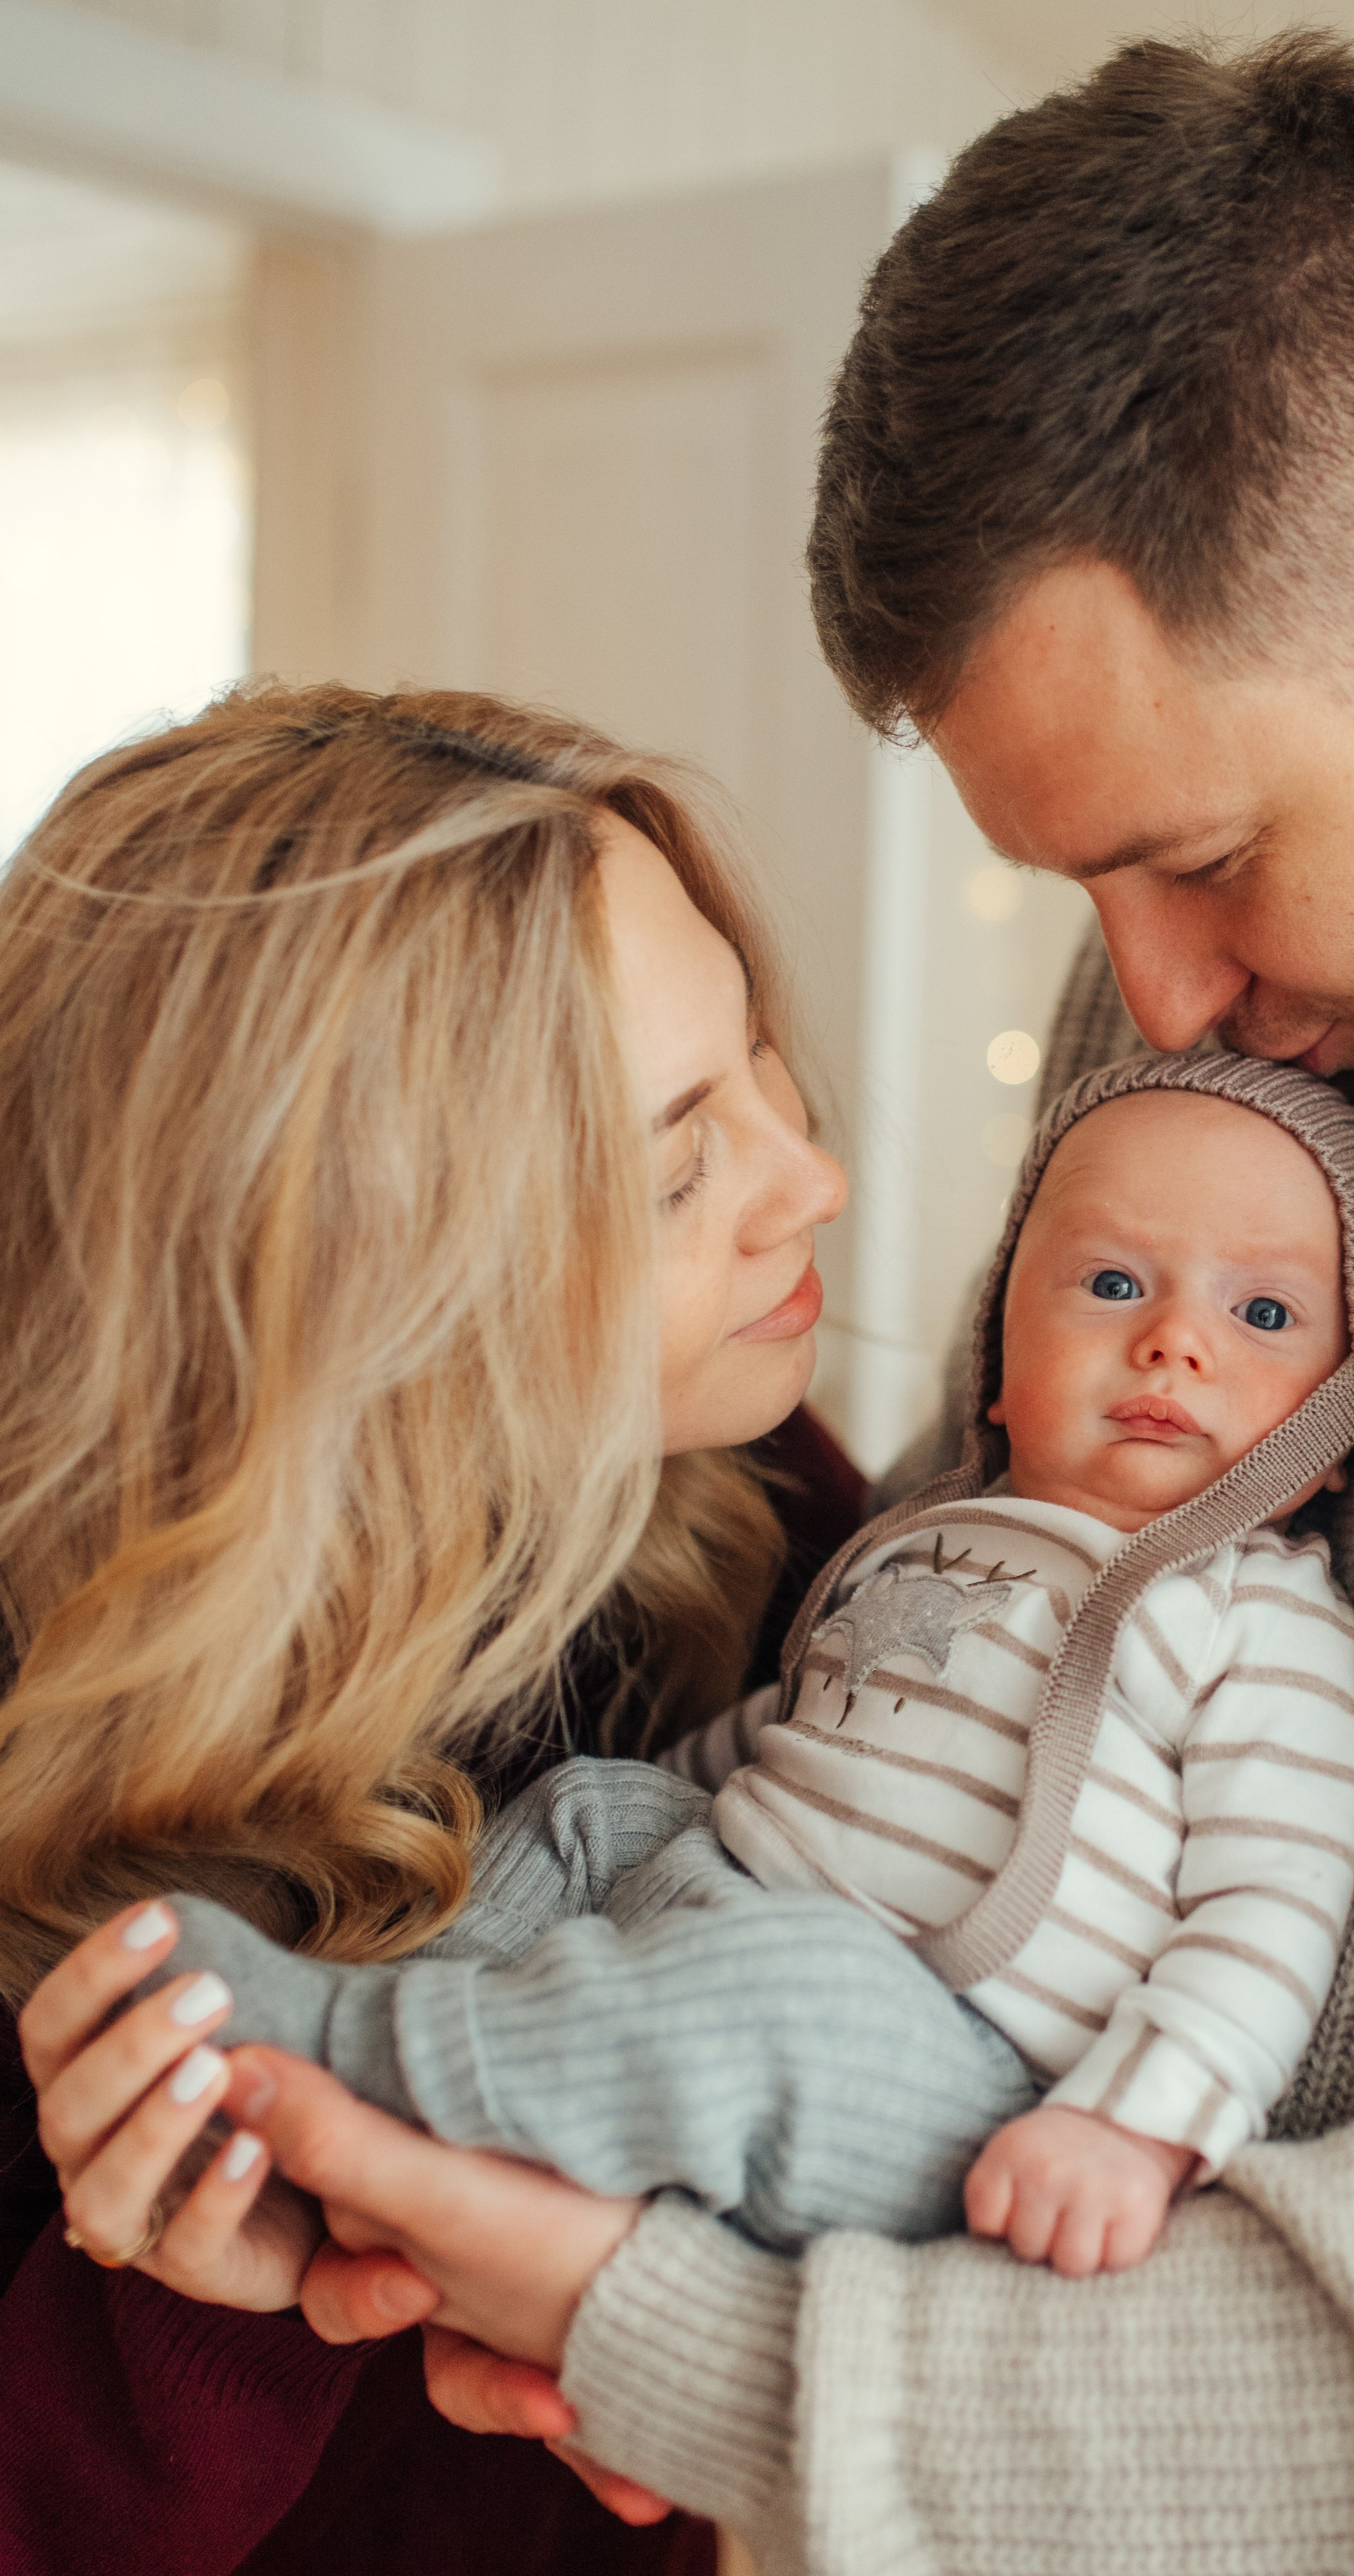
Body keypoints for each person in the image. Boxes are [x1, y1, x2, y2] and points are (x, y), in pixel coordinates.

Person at [26, 28, 1354, 2571]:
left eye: (1204, 858)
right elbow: (925, 1704)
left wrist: (671, 2339)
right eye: (1086, 896)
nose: (1143, 1012)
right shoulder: (1217, 997)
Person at [0, 678, 863, 2576]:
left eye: (759, 1063)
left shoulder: (760, 1504)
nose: (813, 1178)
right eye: (674, 1163)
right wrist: (200, 2304)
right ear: (362, 1297)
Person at [115, 1054, 1354, 2276]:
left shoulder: (1256, 1623)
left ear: (1337, 1430)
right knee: (588, 1804)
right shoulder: (931, 1535)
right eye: (1114, 1285)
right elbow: (807, 1720)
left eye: (1265, 1313)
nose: (1176, 1341)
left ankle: (351, 2056)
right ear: (999, 1364)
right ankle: (425, 2010)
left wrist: (1135, 2126)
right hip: (739, 1891)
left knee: (780, 1996)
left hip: (934, 2050)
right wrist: (662, 1818)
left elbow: (1271, 1908)